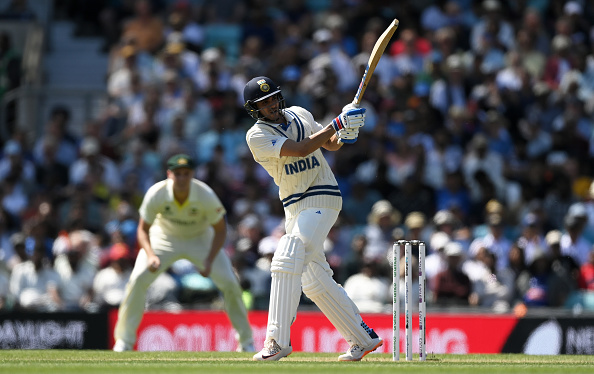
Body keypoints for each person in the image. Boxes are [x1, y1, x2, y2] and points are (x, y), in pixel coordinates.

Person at [243, 76, 382, 361]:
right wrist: (338, 124)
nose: (270, 105)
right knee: (314, 280)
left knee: (286, 253)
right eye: (263, 103)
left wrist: (344, 133)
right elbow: (300, 149)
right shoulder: (256, 135)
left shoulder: (301, 113)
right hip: (294, 206)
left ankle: (277, 341)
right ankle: (362, 337)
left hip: (322, 195)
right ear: (254, 109)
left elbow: (329, 144)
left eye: (272, 98)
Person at [113, 154, 254, 352]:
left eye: (186, 174)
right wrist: (151, 255)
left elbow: (221, 230)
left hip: (200, 239)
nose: (181, 179)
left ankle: (246, 342)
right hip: (163, 238)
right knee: (137, 280)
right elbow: (143, 230)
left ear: (192, 175)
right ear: (169, 174)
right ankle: (125, 341)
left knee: (230, 282)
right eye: (177, 174)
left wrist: (209, 259)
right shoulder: (157, 193)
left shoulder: (205, 194)